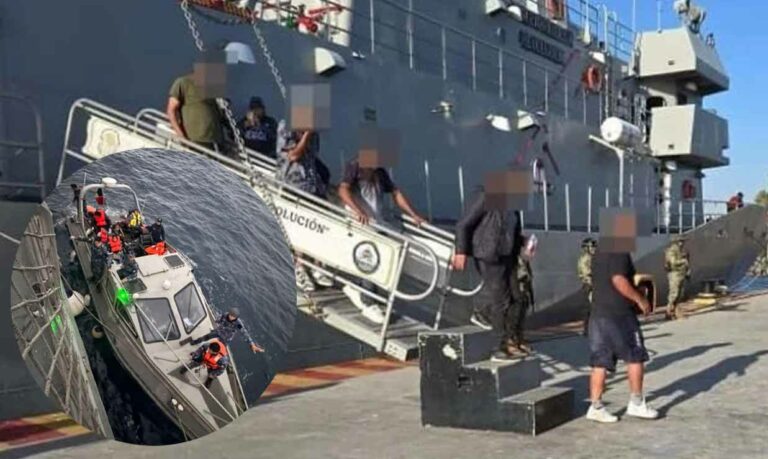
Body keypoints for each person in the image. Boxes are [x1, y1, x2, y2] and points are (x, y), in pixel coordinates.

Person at [338, 157, 428, 323]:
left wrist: (414, 215)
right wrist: (358, 211)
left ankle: (357, 288)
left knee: (383, 258)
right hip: (359, 223)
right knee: (373, 258)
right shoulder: (355, 166)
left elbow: (396, 193)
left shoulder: (380, 172)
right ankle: (367, 302)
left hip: (376, 223)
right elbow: (343, 190)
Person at [586, 246, 658, 423]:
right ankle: (636, 403)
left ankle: (595, 406)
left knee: (600, 360)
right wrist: (640, 299)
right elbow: (618, 279)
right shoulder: (619, 251)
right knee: (635, 355)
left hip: (598, 313)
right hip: (619, 315)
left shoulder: (599, 252)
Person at [451, 188, 524, 361]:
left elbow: (511, 232)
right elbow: (463, 224)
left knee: (516, 298)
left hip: (507, 256)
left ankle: (507, 338)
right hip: (488, 254)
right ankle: (497, 348)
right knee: (501, 300)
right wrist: (460, 251)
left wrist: (524, 242)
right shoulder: (487, 196)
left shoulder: (514, 205)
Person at [276, 124, 334, 292]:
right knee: (300, 228)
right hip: (293, 185)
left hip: (312, 186)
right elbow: (293, 155)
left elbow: (312, 158)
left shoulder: (314, 134)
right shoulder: (286, 127)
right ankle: (298, 266)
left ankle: (317, 265)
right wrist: (307, 134)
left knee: (321, 225)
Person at [167, 62, 225, 151]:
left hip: (215, 141)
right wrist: (180, 135)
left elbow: (219, 114)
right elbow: (171, 110)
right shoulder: (183, 82)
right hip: (195, 140)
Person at [183, 308, 265, 354]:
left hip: (226, 338)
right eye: (230, 315)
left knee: (219, 351)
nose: (231, 317)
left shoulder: (238, 323)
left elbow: (245, 333)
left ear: (236, 317)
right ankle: (195, 342)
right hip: (218, 331)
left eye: (233, 316)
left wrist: (251, 344)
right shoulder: (225, 314)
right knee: (205, 337)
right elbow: (219, 320)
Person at [511, 236, 535, 354]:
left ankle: (520, 341)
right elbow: (518, 277)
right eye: (530, 250)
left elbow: (529, 282)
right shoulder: (516, 261)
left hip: (524, 295)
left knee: (521, 321)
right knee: (513, 321)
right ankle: (512, 343)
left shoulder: (525, 262)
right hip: (516, 294)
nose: (532, 253)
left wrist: (531, 298)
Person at [664, 235, 690, 320]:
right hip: (674, 274)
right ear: (676, 241)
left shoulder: (681, 250)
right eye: (680, 241)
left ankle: (675, 311)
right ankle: (669, 312)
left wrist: (687, 271)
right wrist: (683, 261)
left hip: (681, 273)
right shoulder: (672, 250)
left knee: (679, 294)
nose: (682, 243)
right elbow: (673, 262)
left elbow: (687, 262)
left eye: (682, 241)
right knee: (674, 294)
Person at [577, 238, 597, 336]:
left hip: (589, 285)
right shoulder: (587, 259)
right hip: (590, 285)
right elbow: (588, 273)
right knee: (591, 308)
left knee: (589, 308)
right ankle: (588, 329)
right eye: (592, 246)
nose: (594, 249)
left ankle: (588, 329)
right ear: (587, 248)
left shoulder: (589, 258)